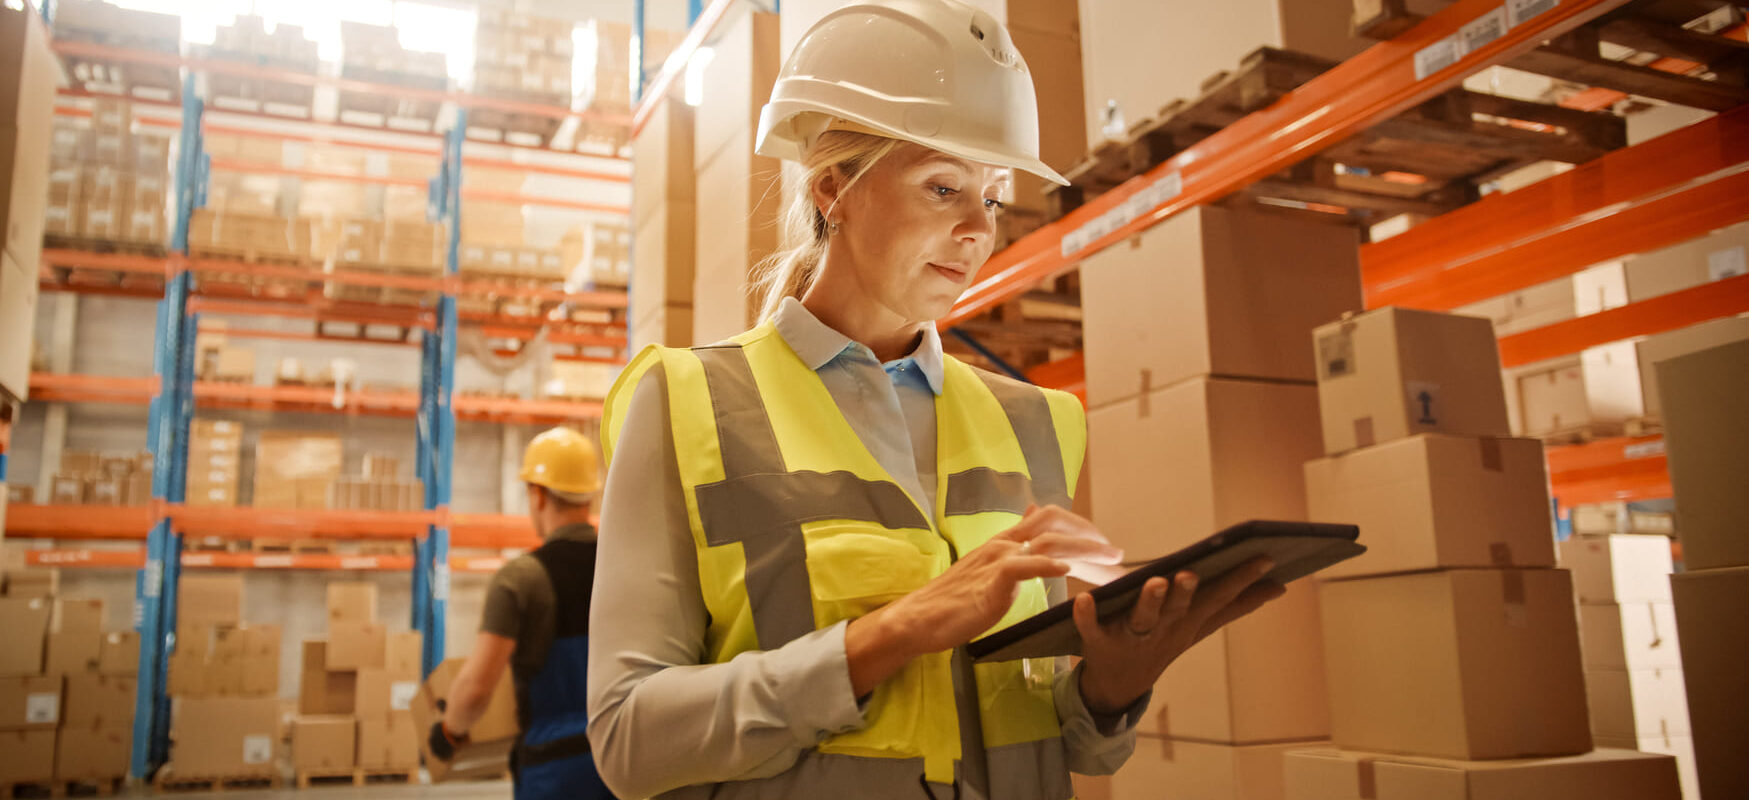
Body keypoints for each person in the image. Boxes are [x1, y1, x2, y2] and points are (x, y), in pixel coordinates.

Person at [586, 1, 1287, 798]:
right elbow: (627, 741)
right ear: (832, 190)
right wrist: (888, 635)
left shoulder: (1035, 421)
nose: (978, 229)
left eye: (993, 197)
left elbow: (1060, 739)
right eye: (943, 187)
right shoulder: (687, 401)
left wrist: (1114, 684)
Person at [427, 426, 615, 800]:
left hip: (555, 770)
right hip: (621, 761)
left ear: (538, 494)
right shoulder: (622, 566)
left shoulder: (521, 579)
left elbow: (478, 686)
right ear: (589, 494)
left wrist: (449, 733)